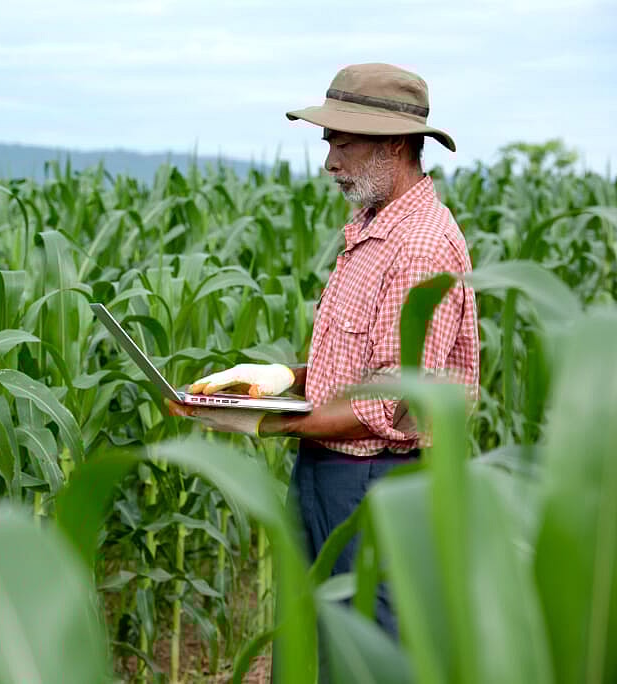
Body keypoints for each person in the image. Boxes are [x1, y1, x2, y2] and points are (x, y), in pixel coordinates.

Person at [169, 63, 480, 639]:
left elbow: (387, 402)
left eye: (343, 142)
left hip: (377, 483)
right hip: (327, 470)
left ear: (392, 146)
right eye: (328, 141)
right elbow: (354, 371)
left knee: (367, 652)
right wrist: (264, 383)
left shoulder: (420, 245)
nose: (330, 161)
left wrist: (265, 424)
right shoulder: (371, 229)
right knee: (311, 643)